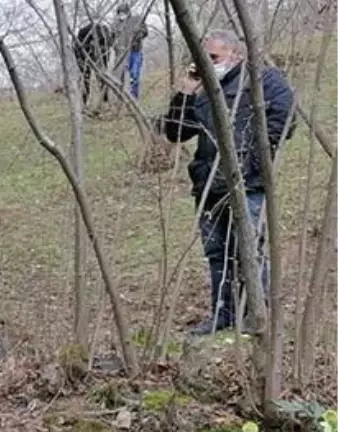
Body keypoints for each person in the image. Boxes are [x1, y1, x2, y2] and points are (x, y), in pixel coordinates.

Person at [160, 29, 294, 334]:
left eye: (213, 57)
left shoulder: (262, 81)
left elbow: (285, 119)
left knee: (248, 251)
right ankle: (223, 316)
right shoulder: (204, 91)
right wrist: (185, 91)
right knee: (217, 253)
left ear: (235, 54)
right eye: (202, 58)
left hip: (246, 184)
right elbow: (175, 132)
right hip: (208, 186)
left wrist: (251, 162)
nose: (206, 63)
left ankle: (259, 317)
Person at [73, 22, 115, 106]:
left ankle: (103, 99)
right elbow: (78, 50)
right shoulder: (84, 34)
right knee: (87, 78)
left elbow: (109, 46)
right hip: (84, 54)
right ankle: (89, 100)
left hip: (97, 55)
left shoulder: (104, 34)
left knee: (99, 76)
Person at [113, 3, 148, 99]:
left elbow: (145, 32)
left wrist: (138, 35)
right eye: (119, 13)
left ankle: (133, 96)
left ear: (128, 12)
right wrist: (115, 45)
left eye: (123, 13)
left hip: (135, 52)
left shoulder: (136, 20)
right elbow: (112, 37)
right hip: (121, 53)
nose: (121, 15)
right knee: (119, 75)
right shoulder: (116, 24)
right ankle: (119, 96)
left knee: (134, 74)